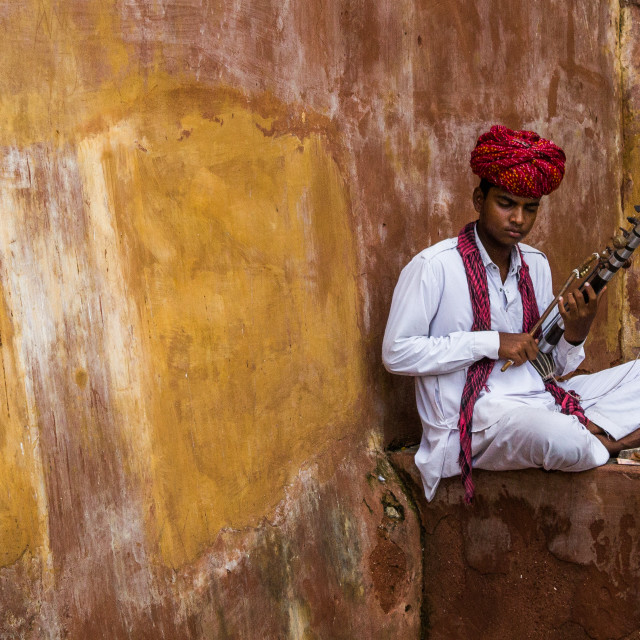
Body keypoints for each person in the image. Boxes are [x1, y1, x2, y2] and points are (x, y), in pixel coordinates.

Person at [382, 124, 640, 503]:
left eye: (529, 208)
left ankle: (596, 436)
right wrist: (492, 343)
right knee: (561, 439)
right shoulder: (434, 266)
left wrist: (576, 332)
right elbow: (396, 353)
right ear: (478, 198)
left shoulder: (536, 264)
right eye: (506, 203)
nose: (518, 218)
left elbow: (549, 363)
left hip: (542, 396)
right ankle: (615, 440)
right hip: (476, 421)